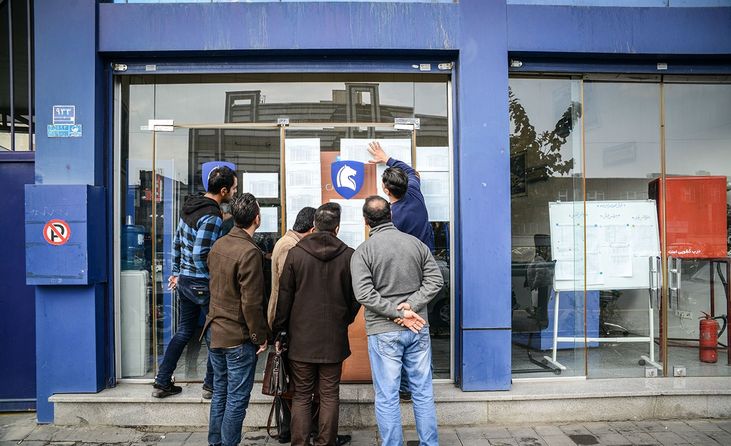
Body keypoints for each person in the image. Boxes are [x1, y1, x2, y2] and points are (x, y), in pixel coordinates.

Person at [350, 196, 444, 446]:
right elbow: (435, 280)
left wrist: (398, 312)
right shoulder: (416, 244)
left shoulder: (363, 252)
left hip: (383, 331)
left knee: (387, 396)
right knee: (422, 392)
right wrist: (410, 307)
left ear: (366, 220)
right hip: (418, 326)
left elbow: (364, 294)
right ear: (390, 215)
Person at [273, 203, 361, 446]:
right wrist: (344, 319)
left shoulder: (296, 254)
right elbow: (356, 298)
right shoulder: (348, 255)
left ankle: (299, 442)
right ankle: (325, 442)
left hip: (301, 338)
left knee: (301, 395)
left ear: (314, 226)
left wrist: (280, 330)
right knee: (329, 394)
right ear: (337, 228)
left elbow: (284, 297)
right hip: (334, 338)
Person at [153, 166, 237, 399]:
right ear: (223, 190)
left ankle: (162, 382)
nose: (235, 192)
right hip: (202, 283)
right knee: (215, 333)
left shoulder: (190, 207)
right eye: (234, 188)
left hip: (186, 281)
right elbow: (201, 254)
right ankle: (210, 386)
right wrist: (212, 279)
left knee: (184, 331)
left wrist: (177, 273)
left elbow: (177, 243)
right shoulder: (212, 215)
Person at [367, 141, 435, 400]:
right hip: (425, 265)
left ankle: (405, 386)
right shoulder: (415, 191)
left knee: (407, 323)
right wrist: (387, 158)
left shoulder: (392, 217)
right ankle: (420, 382)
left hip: (408, 270)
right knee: (419, 325)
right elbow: (411, 171)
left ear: (386, 191)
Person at [204, 193, 270, 446]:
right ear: (257, 219)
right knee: (236, 398)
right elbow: (251, 303)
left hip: (214, 329)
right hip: (236, 335)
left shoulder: (219, 245)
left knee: (221, 391)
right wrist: (259, 336)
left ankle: (216, 442)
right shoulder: (250, 252)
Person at [266, 206, 316, 444]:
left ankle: (289, 429)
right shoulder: (289, 246)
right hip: (287, 320)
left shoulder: (288, 242)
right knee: (288, 380)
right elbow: (290, 289)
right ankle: (288, 429)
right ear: (312, 229)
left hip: (286, 319)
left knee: (290, 379)